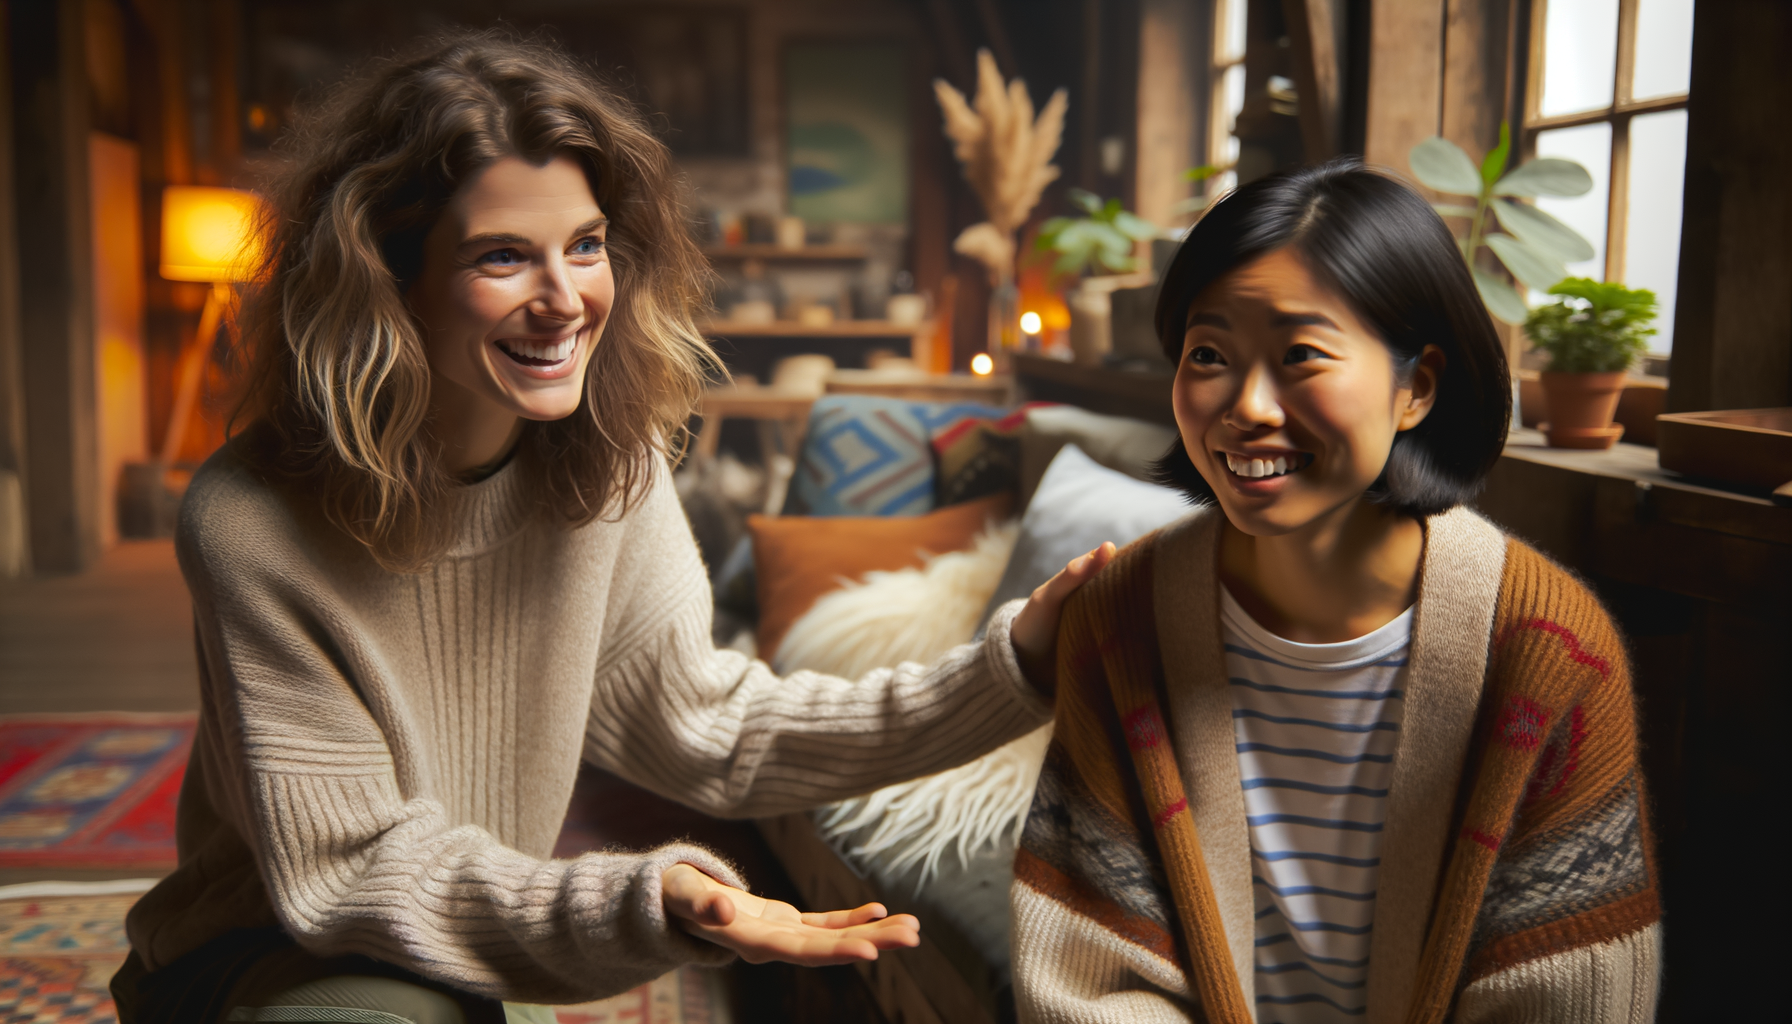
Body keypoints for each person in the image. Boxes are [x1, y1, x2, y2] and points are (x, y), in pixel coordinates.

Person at [111, 32, 1110, 1024]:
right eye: (503, 256)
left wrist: (1006, 668)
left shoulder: (610, 470)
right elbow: (355, 869)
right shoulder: (251, 520)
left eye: (584, 246)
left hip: (468, 941)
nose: (564, 301)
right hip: (271, 949)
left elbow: (714, 730)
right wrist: (646, 897)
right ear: (388, 277)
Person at [1010, 161, 1660, 1023]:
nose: (1247, 406)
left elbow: (1570, 991)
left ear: (1415, 388)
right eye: (1209, 355)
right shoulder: (1122, 624)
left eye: (1300, 356)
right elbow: (1088, 980)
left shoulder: (1551, 651)